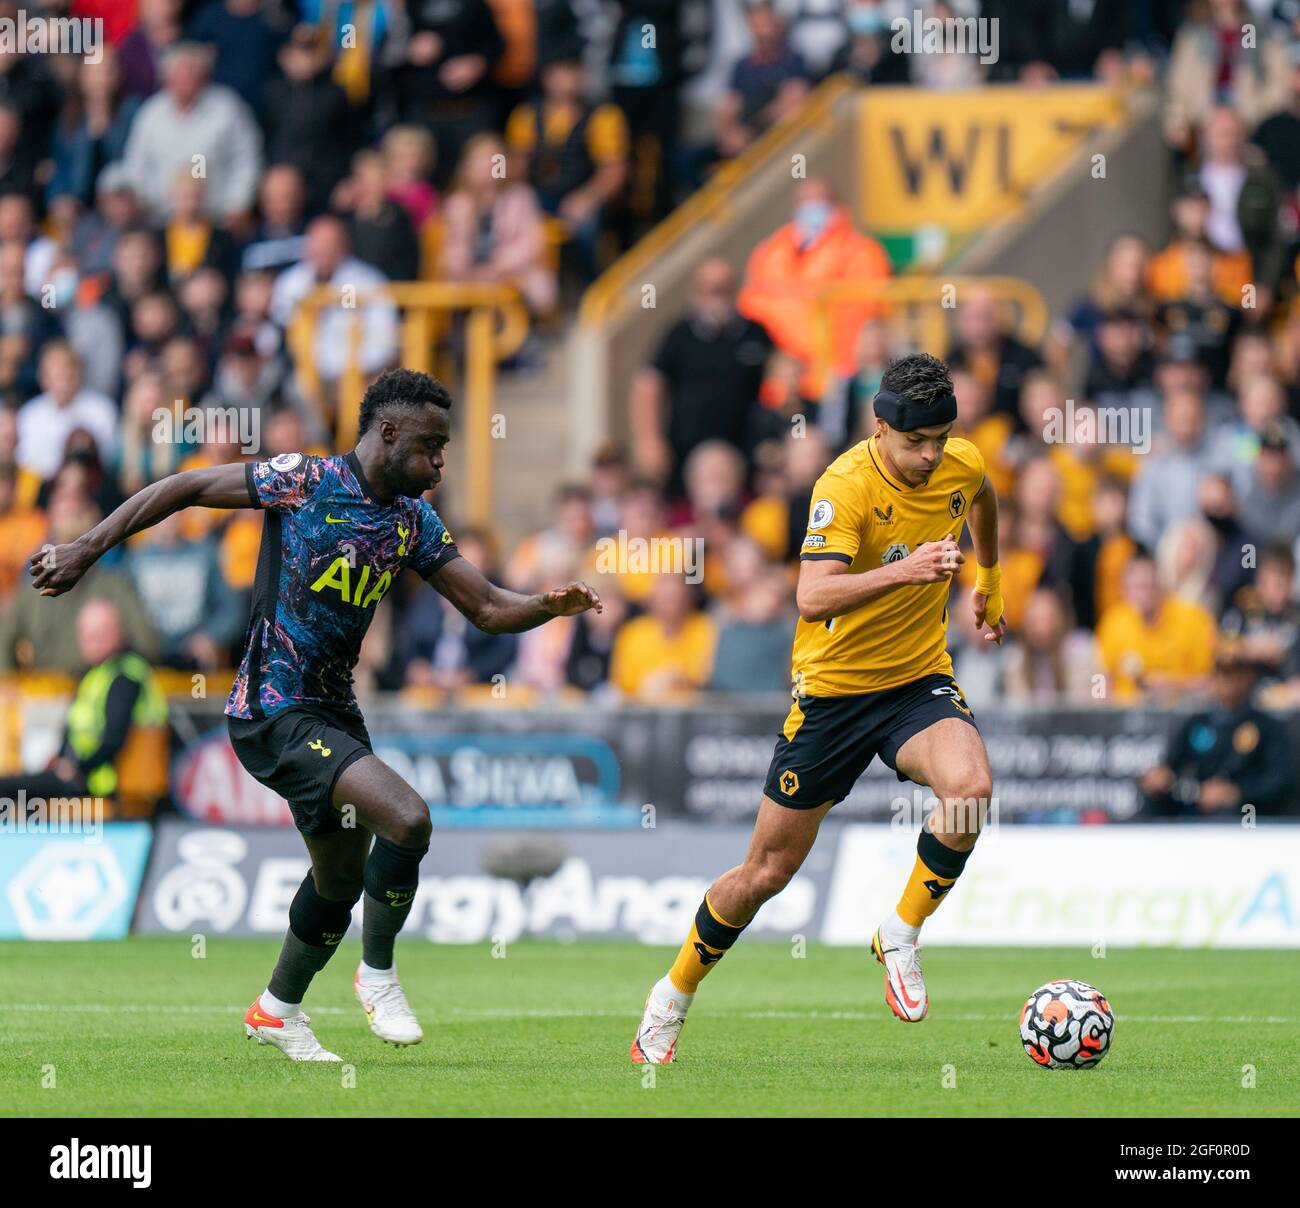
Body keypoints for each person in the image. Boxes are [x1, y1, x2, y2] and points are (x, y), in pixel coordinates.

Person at [31, 367, 601, 1062]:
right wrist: (87, 548)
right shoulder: (302, 478)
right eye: (431, 445)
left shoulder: (411, 519)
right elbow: (182, 487)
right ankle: (379, 973)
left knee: (337, 881)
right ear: (387, 433)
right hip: (272, 709)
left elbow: (484, 607)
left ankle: (276, 1010)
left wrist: (546, 605)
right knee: (409, 816)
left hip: (334, 713)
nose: (440, 462)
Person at [631, 353, 1006, 1062]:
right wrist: (910, 568)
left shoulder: (961, 461)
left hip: (915, 681)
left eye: (941, 438)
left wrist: (988, 574)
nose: (931, 456)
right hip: (832, 695)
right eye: (915, 442)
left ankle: (899, 931)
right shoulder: (845, 485)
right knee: (764, 876)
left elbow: (982, 496)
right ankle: (672, 994)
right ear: (879, 428)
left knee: (971, 791)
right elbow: (811, 595)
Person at [0, 598, 167, 816]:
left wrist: (76, 768)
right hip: (86, 775)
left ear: (118, 632)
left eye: (99, 635)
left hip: (101, 781)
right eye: (86, 636)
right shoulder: (95, 673)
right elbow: (74, 730)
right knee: (25, 790)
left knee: (8, 789)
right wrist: (60, 760)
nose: (90, 643)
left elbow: (114, 738)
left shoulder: (125, 676)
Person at [1137, 643, 1293, 817]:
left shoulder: (1266, 727)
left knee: (1231, 811)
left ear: (1249, 678)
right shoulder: (1198, 723)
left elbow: (1278, 780)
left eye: (1235, 674)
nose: (1228, 681)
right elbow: (1171, 765)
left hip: (1245, 809)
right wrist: (1161, 775)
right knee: (1154, 797)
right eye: (1223, 674)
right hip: (1200, 800)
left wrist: (1237, 793)